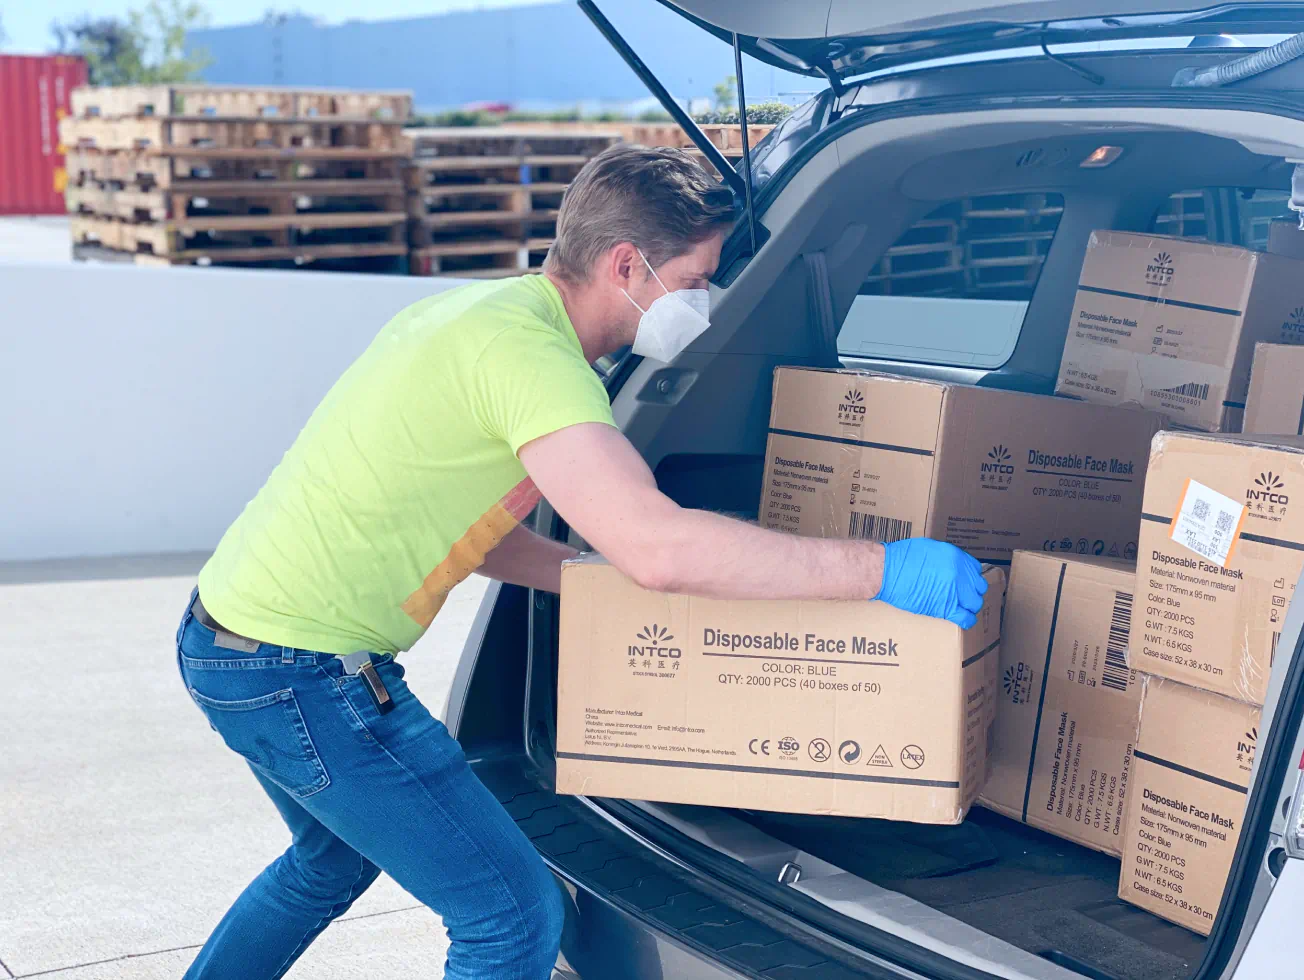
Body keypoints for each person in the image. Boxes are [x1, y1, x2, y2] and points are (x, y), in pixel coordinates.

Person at [176, 144, 987, 980]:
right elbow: (660, 547)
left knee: (328, 864)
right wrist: (884, 572)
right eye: (699, 276)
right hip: (307, 677)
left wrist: (587, 580)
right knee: (513, 918)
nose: (705, 300)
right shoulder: (541, 367)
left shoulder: (478, 318)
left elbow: (469, 526)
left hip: (227, 642)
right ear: (626, 264)